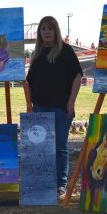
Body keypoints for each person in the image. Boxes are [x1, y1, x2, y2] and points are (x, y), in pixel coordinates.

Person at [26, 16, 83, 199]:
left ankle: (61, 185)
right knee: (41, 147)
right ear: (39, 33)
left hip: (61, 108)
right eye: (43, 29)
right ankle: (43, 184)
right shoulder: (36, 54)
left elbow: (77, 76)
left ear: (56, 31)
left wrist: (71, 102)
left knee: (60, 147)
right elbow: (29, 83)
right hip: (40, 108)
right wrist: (29, 105)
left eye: (50, 28)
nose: (47, 32)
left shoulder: (65, 51)